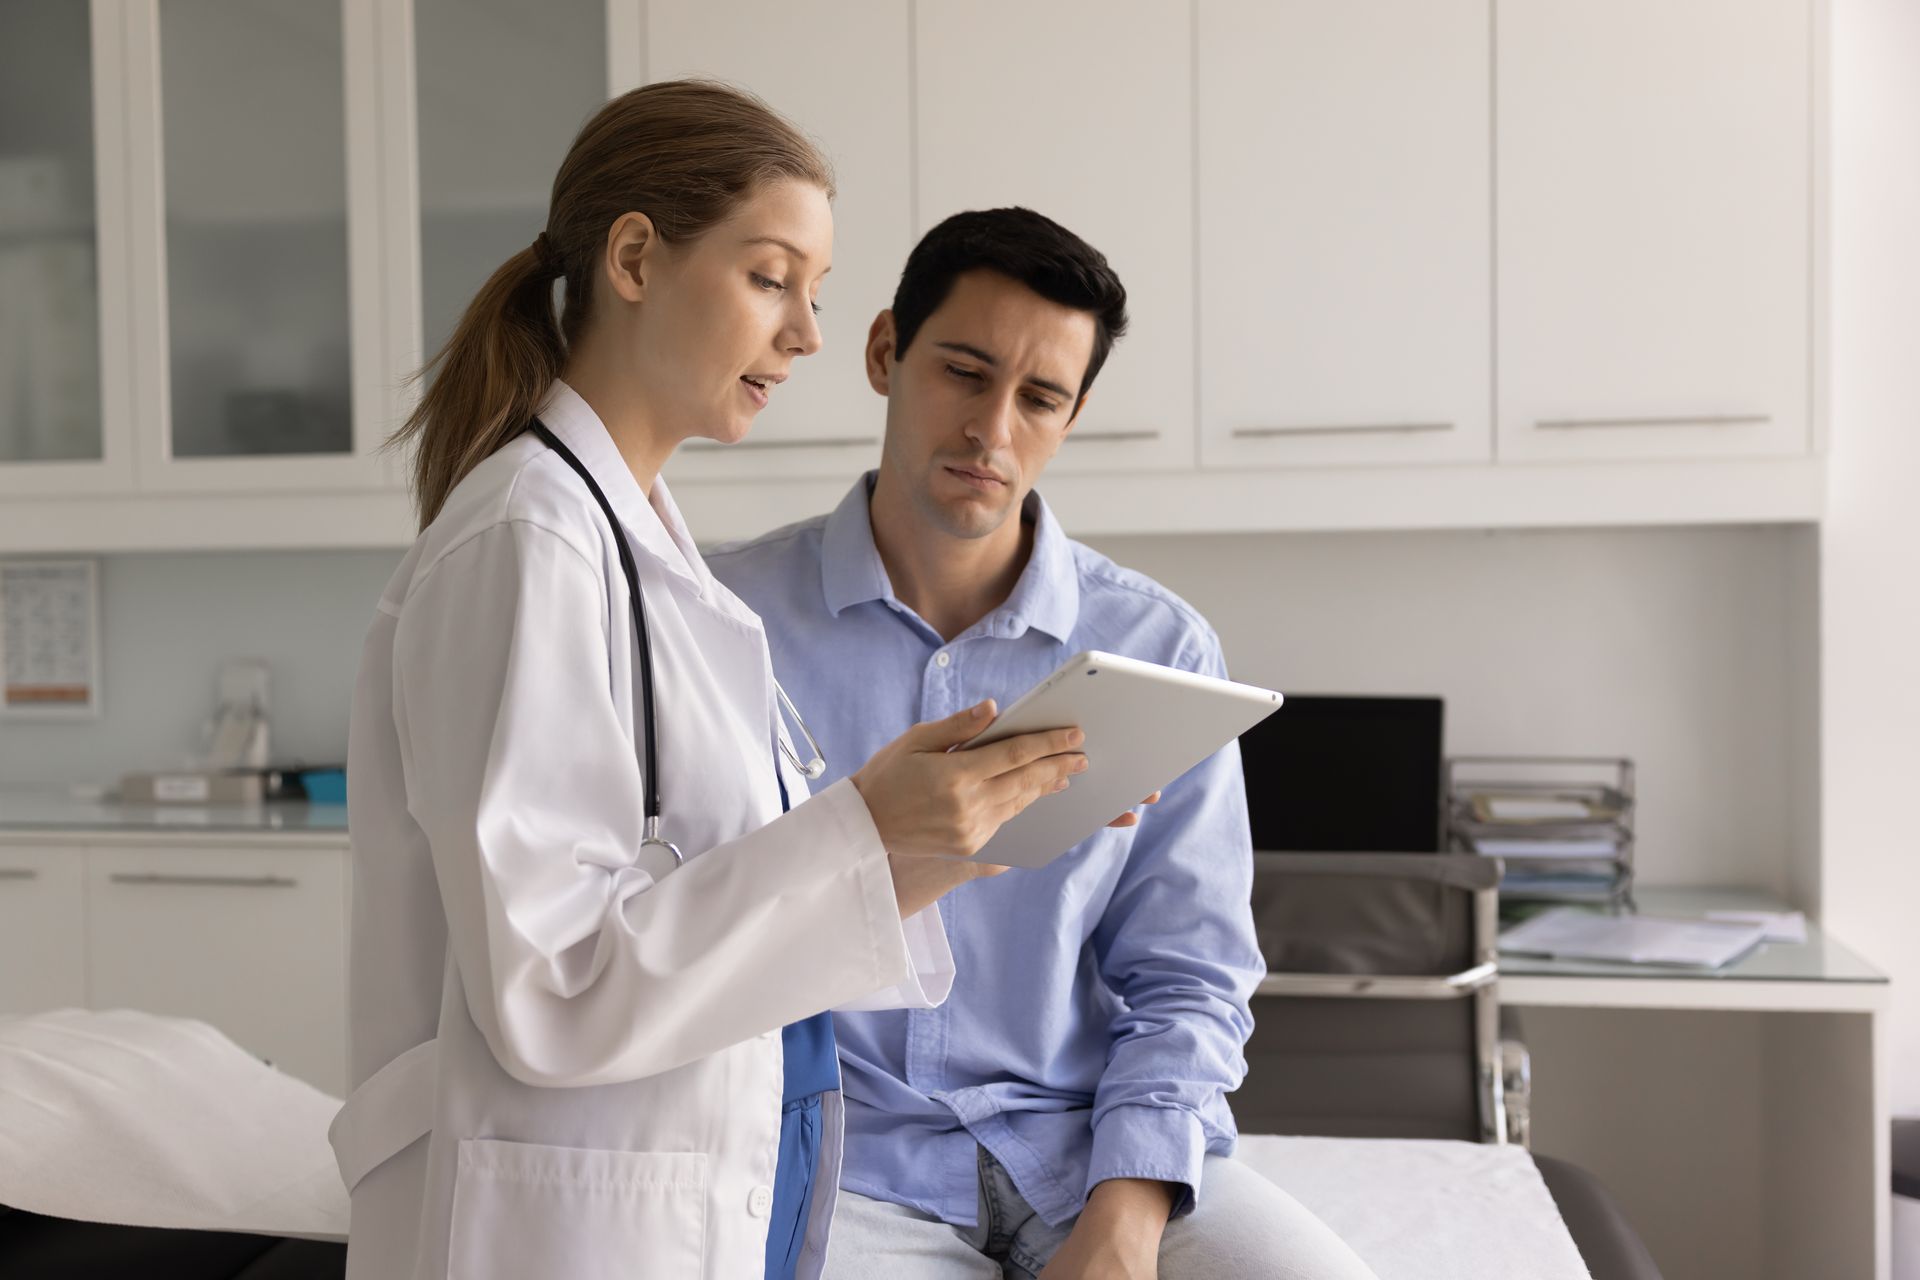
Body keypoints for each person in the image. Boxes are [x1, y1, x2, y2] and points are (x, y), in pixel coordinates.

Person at [334, 85, 1098, 1280]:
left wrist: (940, 841)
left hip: (704, 1191)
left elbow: (719, 903)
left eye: (813, 294)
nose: (804, 336)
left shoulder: (647, 551)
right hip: (562, 1216)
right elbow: (552, 984)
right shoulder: (527, 541)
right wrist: (861, 827)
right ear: (636, 256)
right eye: (770, 278)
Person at [710, 208, 1381, 1280]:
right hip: (848, 1161)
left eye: (1040, 397)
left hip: (1092, 1152)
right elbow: (699, 926)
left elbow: (1190, 977)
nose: (993, 430)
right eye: (963, 373)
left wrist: (1124, 1219)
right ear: (886, 351)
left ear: (1074, 413)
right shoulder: (727, 621)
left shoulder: (1158, 646)